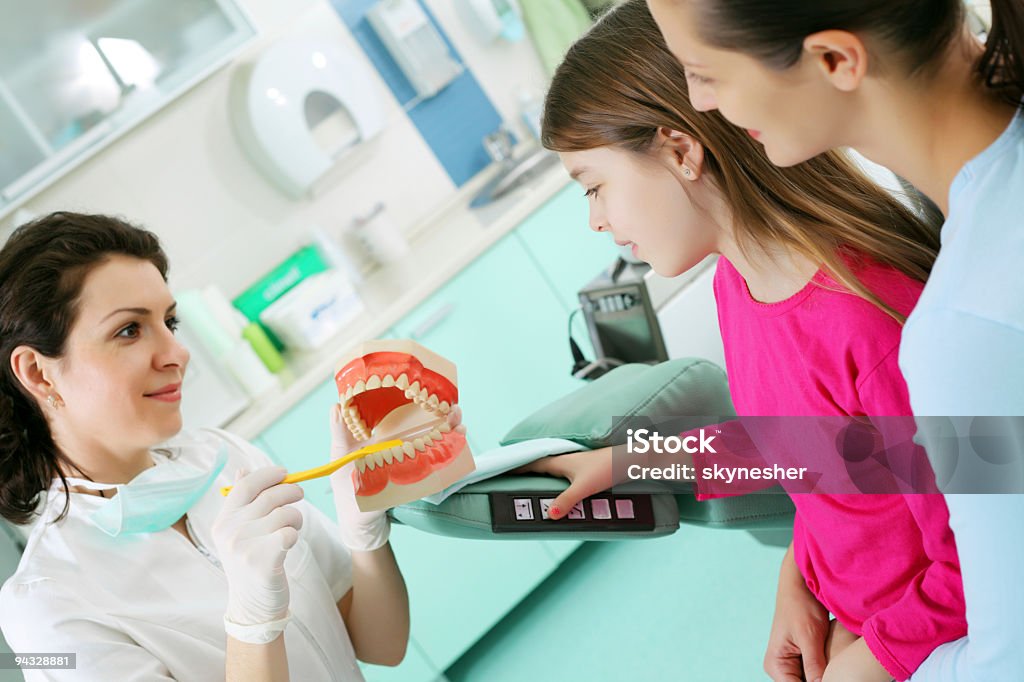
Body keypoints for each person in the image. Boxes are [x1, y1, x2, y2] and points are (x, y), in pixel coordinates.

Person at [520, 2, 965, 680]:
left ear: (679, 149)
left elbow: (975, 564)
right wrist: (798, 577)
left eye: (595, 187)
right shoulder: (739, 285)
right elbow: (812, 449)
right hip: (856, 618)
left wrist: (867, 660)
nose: (596, 221)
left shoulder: (868, 320)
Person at [644, 0, 1024, 679]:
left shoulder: (955, 331)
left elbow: (1009, 651)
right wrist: (804, 565)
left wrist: (859, 666)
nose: (697, 102)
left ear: (834, 60)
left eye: (704, 73)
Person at [0, 212, 454, 680]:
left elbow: (382, 644)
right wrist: (252, 623)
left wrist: (367, 538)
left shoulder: (225, 462)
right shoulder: (44, 606)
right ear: (37, 372)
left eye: (169, 322)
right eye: (129, 330)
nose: (177, 353)